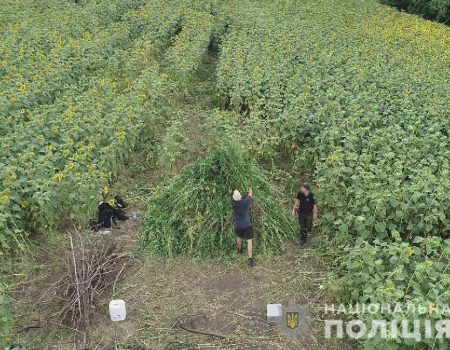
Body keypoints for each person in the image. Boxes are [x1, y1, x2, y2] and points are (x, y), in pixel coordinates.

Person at [232, 187, 255, 267]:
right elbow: (250, 195)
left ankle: (240, 249)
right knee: (249, 241)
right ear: (240, 197)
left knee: (239, 237)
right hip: (246, 225)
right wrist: (250, 188)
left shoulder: (233, 204)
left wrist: (242, 195)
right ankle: (250, 260)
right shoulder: (245, 202)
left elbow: (241, 198)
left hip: (238, 225)